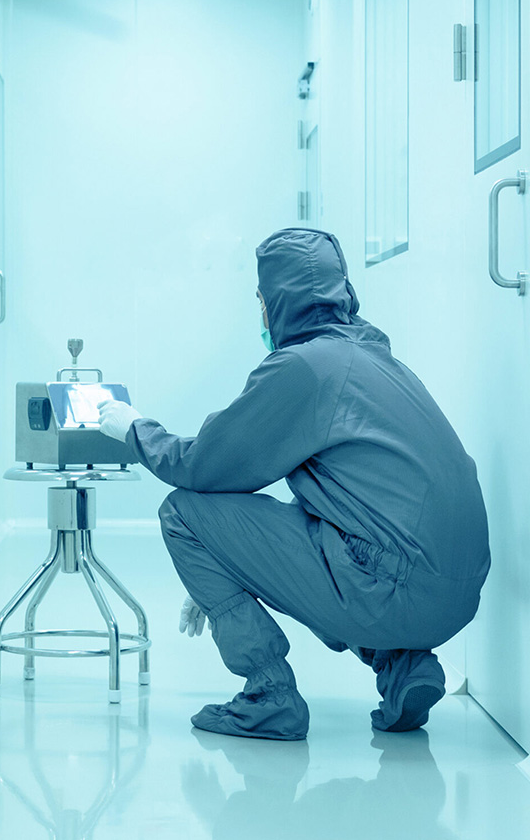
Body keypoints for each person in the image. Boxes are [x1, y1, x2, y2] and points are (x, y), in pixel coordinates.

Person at [96, 228, 490, 740]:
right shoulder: (376, 359)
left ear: (276, 302)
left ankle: (269, 696)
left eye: (261, 301)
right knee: (346, 543)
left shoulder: (306, 367)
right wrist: (228, 565)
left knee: (181, 512)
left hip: (391, 590)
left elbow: (202, 466)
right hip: (457, 594)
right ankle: (403, 667)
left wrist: (133, 428)